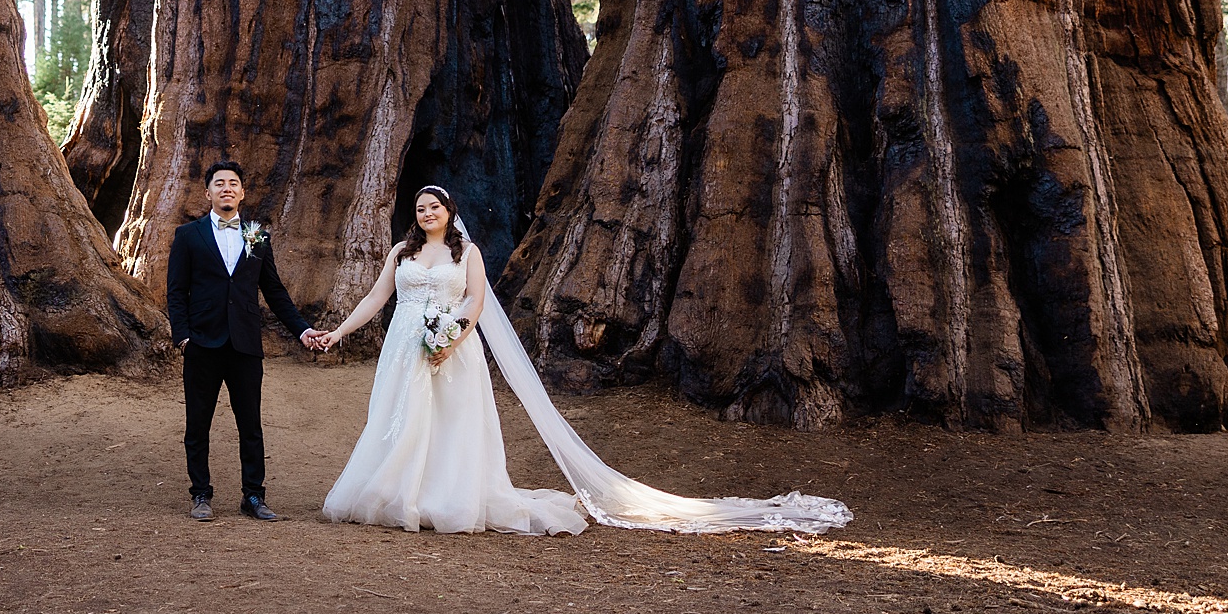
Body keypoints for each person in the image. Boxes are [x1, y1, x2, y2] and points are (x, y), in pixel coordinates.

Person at [310, 184, 852, 537]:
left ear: (450, 214)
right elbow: (377, 298)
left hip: (453, 348)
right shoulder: (401, 254)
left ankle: (445, 497)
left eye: (436, 207)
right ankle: (395, 492)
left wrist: (452, 337)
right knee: (398, 420)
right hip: (405, 347)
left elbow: (475, 301)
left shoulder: (465, 253)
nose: (427, 213)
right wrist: (338, 332)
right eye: (421, 207)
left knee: (450, 424)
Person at [166, 160, 321, 521]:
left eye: (233, 183)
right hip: (202, 343)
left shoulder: (258, 236)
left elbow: (275, 292)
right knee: (198, 423)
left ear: (242, 192)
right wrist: (183, 336)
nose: (227, 188)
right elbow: (176, 292)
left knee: (250, 423)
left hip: (246, 345)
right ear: (208, 193)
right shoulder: (188, 236)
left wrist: (302, 329)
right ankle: (201, 494)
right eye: (219, 183)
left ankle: (253, 496)